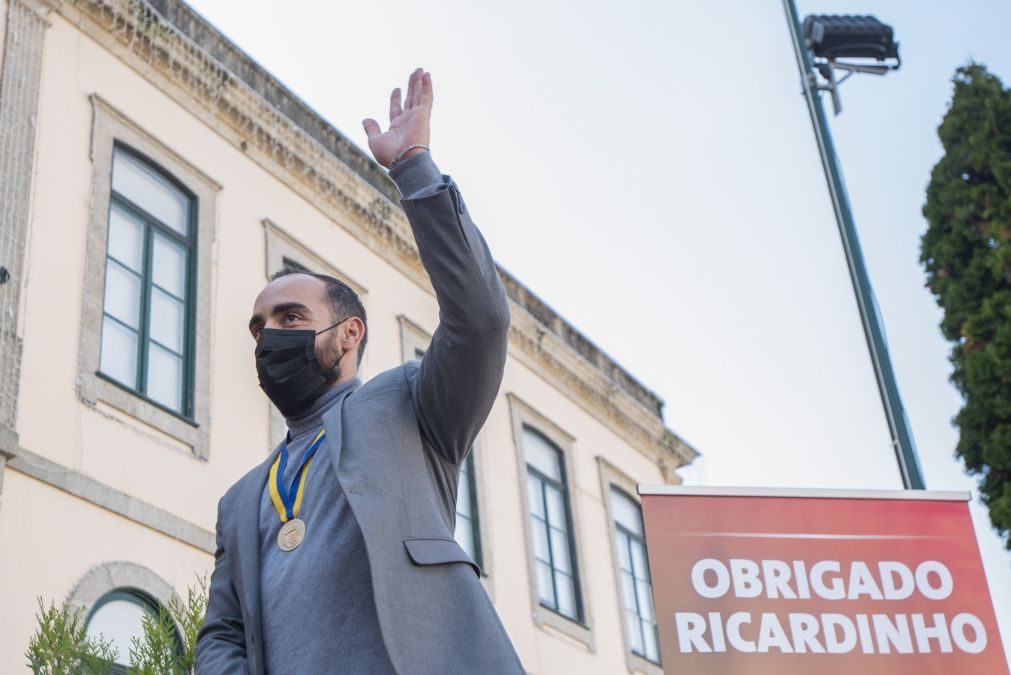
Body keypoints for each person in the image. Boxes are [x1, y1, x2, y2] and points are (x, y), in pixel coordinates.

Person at [195, 68, 524, 674]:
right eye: (260, 325)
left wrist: (416, 169)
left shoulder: (411, 406)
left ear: (350, 332)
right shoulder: (239, 501)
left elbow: (479, 321)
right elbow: (221, 634)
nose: (271, 336)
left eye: (292, 316)